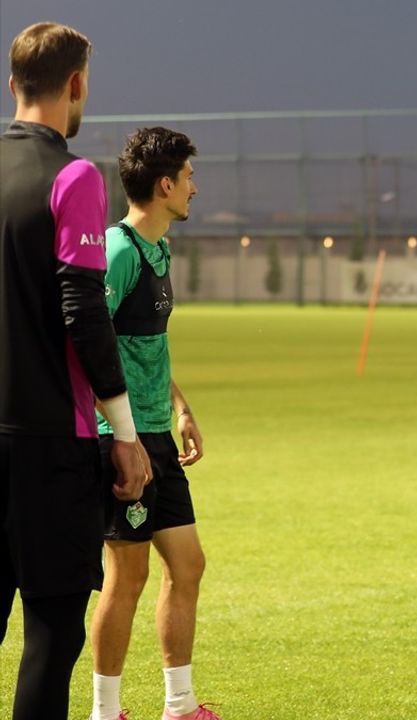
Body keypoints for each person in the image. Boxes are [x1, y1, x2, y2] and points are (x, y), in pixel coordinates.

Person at [0, 22, 150, 720]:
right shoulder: (74, 175)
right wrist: (124, 432)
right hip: (49, 444)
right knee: (50, 637)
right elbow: (83, 310)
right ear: (77, 83)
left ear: (11, 84)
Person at [87, 127, 220, 720]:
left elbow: (142, 347)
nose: (195, 186)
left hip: (157, 435)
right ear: (165, 185)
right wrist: (121, 437)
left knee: (187, 565)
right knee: (128, 575)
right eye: (189, 176)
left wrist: (181, 406)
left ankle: (179, 706)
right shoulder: (117, 252)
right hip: (123, 442)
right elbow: (88, 345)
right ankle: (104, 712)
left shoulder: (159, 249)